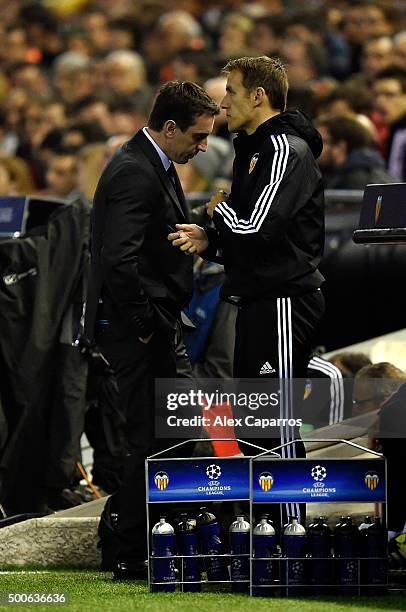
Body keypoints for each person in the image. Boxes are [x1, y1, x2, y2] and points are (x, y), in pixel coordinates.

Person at [169, 56, 325, 523]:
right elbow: (247, 232)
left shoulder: (283, 149)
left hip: (283, 301)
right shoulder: (254, 149)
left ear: (259, 95)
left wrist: (218, 216)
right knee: (258, 421)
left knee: (271, 420)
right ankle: (272, 527)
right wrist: (210, 239)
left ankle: (289, 531)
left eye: (232, 92)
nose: (223, 103)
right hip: (260, 298)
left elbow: (260, 226)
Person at [84, 80, 219, 579]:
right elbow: (116, 260)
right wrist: (143, 324)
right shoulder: (134, 172)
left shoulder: (149, 163)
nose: (203, 146)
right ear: (169, 127)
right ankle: (125, 547)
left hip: (153, 323)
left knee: (168, 433)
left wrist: (204, 219)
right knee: (151, 435)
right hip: (139, 327)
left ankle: (136, 540)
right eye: (198, 137)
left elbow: (148, 244)